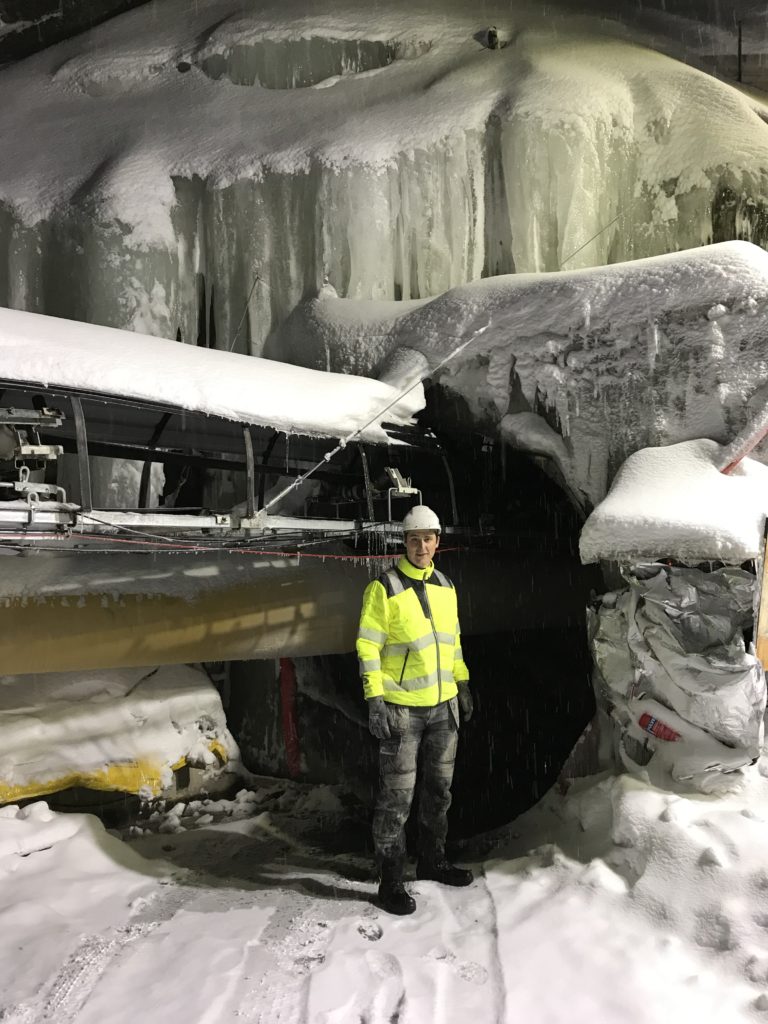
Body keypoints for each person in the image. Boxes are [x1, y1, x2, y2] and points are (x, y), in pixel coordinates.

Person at [356, 504, 474, 915]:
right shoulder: (384, 589)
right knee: (396, 799)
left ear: (438, 543)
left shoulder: (445, 585)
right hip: (403, 711)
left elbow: (453, 641)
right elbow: (368, 646)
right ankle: (391, 881)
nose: (421, 546)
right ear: (403, 543)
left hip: (444, 709)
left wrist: (462, 683)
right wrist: (375, 699)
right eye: (413, 539)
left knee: (438, 792)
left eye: (428, 539)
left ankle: (432, 860)